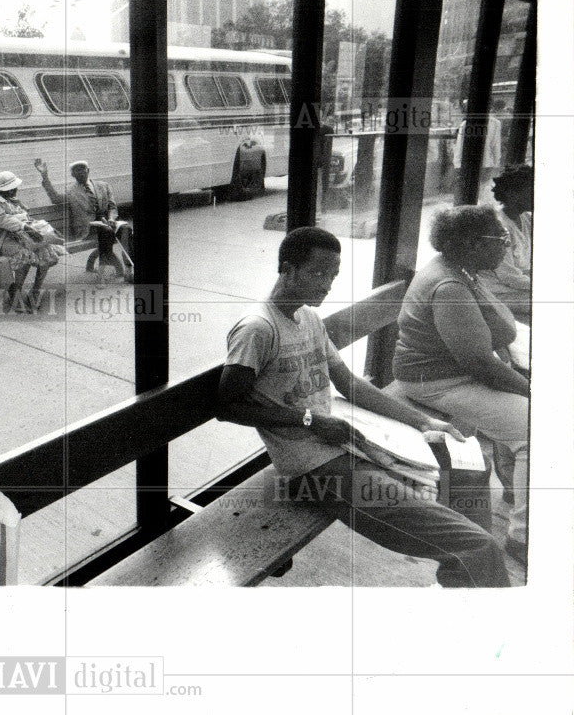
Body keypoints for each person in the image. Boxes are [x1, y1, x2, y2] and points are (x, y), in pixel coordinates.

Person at [217, 226, 511, 587]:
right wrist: (310, 421)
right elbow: (228, 406)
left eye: (333, 275)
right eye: (318, 273)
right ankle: (469, 574)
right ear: (287, 269)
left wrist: (422, 422)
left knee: (469, 465)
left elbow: (350, 384)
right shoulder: (257, 329)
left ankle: (462, 578)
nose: (326, 284)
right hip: (315, 467)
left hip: (349, 440)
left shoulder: (307, 318)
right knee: (479, 546)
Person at [393, 205, 530, 565]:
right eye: (499, 240)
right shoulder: (450, 284)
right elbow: (479, 363)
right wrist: (529, 389)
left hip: (455, 372)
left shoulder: (465, 270)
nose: (506, 246)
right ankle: (523, 536)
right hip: (436, 381)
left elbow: (495, 334)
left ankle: (520, 496)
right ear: (471, 244)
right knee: (539, 429)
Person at [35, 158, 134, 282]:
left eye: (83, 169)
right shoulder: (71, 191)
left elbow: (112, 206)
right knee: (106, 231)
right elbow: (55, 198)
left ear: (88, 171)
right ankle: (103, 274)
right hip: (87, 229)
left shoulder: (103, 186)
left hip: (108, 223)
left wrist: (111, 218)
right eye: (77, 170)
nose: (81, 172)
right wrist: (44, 176)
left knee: (126, 229)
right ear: (73, 175)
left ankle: (130, 269)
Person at [0, 170, 57, 312]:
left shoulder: (12, 201)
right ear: (2, 190)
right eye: (12, 188)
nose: (15, 190)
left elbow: (25, 217)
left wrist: (38, 227)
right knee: (26, 254)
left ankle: (35, 291)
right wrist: (26, 226)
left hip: (19, 238)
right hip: (0, 241)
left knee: (46, 250)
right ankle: (16, 293)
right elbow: (3, 220)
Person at [478, 165, 532, 324]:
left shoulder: (526, 218)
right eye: (532, 190)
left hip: (517, 284)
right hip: (498, 291)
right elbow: (509, 277)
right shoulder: (499, 225)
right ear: (513, 194)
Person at [453, 99, 504, 189]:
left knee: (481, 189)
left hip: (486, 164)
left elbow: (496, 145)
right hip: (470, 164)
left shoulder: (495, 123)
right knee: (473, 189)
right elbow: (460, 146)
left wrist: (496, 164)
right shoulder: (466, 123)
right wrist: (458, 165)